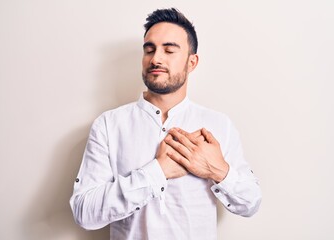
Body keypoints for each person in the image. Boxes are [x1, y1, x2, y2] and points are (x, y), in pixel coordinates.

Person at [70, 8, 261, 240]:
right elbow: (83, 213)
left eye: (169, 50)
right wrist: (156, 172)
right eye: (149, 50)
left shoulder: (219, 126)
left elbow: (250, 203)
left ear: (192, 62)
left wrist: (216, 170)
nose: (156, 59)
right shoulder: (109, 125)